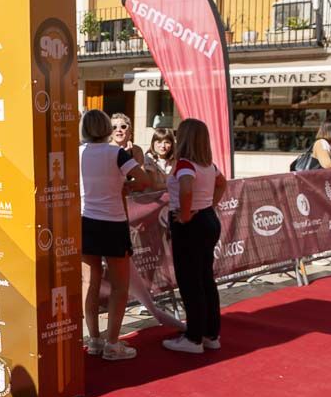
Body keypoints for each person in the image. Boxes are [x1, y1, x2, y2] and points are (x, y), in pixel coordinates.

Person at [79, 109, 150, 361]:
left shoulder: (78, 153)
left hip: (85, 222)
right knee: (120, 286)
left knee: (89, 284)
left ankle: (95, 341)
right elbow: (144, 180)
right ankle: (111, 343)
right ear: (107, 129)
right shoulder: (117, 153)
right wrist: (124, 184)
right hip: (113, 224)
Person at [162, 118, 228, 355]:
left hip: (191, 224)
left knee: (191, 282)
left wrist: (187, 214)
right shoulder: (208, 165)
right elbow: (222, 184)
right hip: (207, 219)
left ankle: (194, 337)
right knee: (205, 279)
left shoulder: (185, 164)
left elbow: (186, 189)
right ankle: (211, 333)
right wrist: (208, 205)